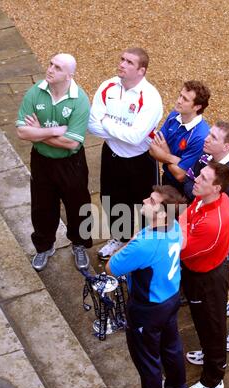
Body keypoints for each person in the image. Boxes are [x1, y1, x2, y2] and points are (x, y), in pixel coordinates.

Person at [106, 185, 186, 388]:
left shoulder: (145, 244)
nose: (144, 200)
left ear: (162, 213)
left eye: (151, 200)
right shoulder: (174, 227)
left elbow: (112, 267)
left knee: (147, 360)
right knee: (171, 346)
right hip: (170, 297)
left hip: (147, 308)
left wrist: (135, 239)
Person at [16, 53, 92, 272]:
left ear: (69, 75)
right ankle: (44, 246)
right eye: (50, 64)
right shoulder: (35, 92)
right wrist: (52, 131)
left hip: (71, 164)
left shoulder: (80, 100)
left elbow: (70, 143)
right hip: (41, 161)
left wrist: (37, 131)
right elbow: (22, 132)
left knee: (78, 207)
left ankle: (79, 245)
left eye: (57, 68)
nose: (50, 69)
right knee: (42, 207)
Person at [88, 47, 163, 260]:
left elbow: (135, 137)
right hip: (111, 155)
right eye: (122, 60)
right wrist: (121, 130)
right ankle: (119, 238)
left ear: (142, 70)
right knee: (111, 199)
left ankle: (148, 247)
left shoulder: (150, 98)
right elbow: (92, 126)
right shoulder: (108, 86)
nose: (122, 64)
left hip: (140, 160)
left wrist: (107, 123)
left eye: (129, 62)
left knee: (145, 204)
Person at [183, 121, 229, 351]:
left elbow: (203, 197)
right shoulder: (207, 157)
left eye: (213, 137)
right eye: (209, 134)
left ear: (226, 145)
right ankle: (223, 308)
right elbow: (188, 182)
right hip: (208, 223)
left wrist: (195, 192)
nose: (206, 138)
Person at [180, 161, 229, 388]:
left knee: (213, 327)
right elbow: (185, 216)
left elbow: (182, 250)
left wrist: (182, 228)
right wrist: (183, 226)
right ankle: (208, 352)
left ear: (217, 188)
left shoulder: (212, 224)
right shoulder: (205, 198)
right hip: (199, 271)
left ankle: (213, 379)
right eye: (200, 175)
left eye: (203, 179)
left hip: (207, 279)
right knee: (202, 320)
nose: (196, 180)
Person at [149, 80, 210, 194]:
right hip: (167, 179)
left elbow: (181, 175)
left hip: (183, 190)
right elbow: (153, 148)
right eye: (180, 95)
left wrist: (165, 154)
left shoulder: (200, 137)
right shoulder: (174, 115)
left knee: (173, 212)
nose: (178, 101)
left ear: (197, 107)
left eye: (185, 99)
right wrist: (174, 159)